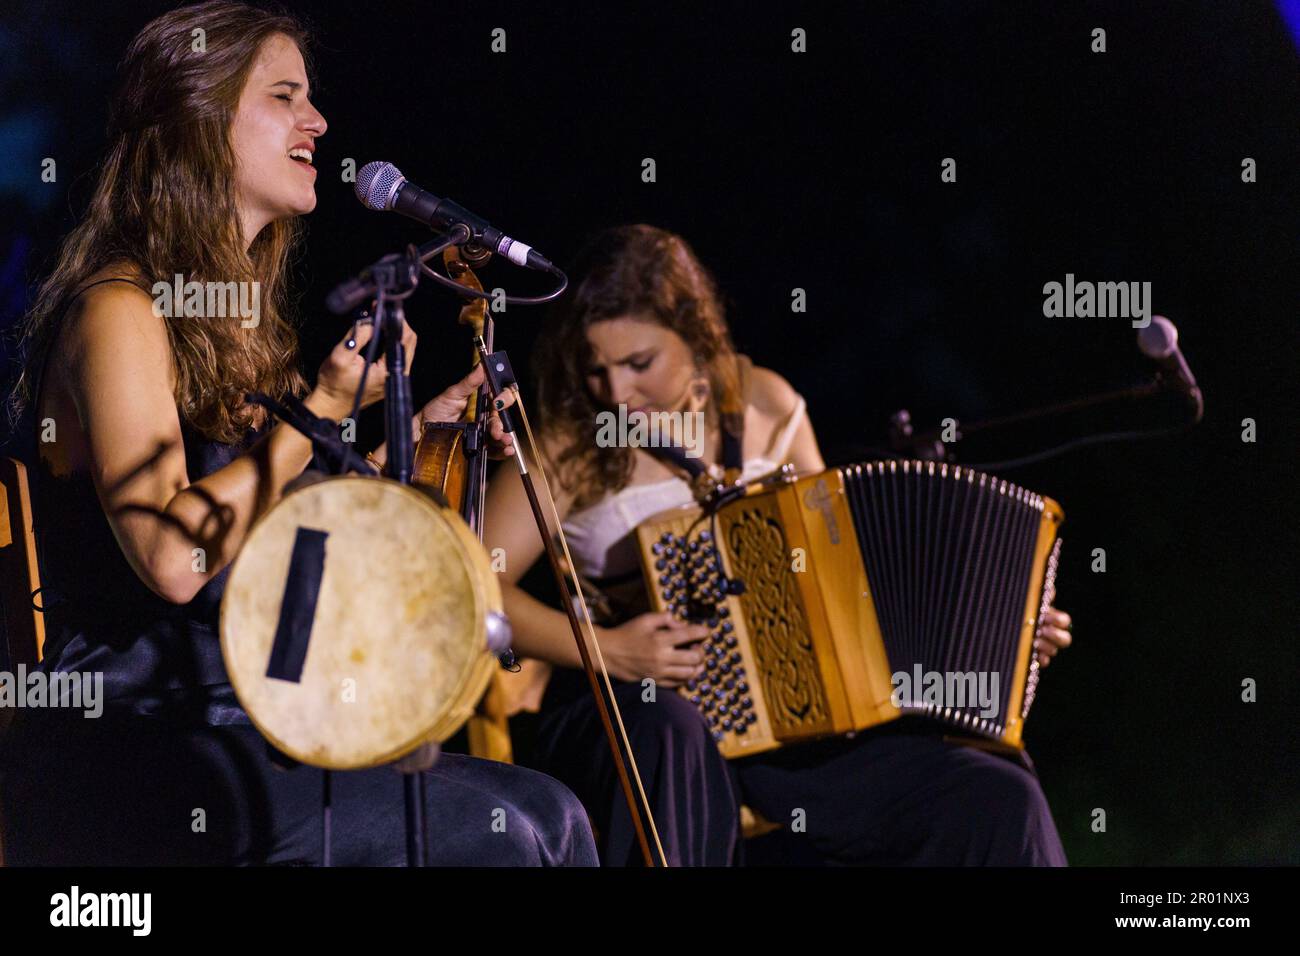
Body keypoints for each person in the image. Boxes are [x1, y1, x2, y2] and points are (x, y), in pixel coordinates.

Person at [0, 1, 596, 866]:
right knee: (503, 838)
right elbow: (176, 559)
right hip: (138, 743)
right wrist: (320, 410)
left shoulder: (239, 332)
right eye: (285, 97)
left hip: (254, 716)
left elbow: (293, 540)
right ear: (201, 124)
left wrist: (420, 438)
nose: (317, 121)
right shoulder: (118, 311)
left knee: (548, 811)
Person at [483, 224, 1074, 866]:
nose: (616, 392)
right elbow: (470, 578)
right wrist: (612, 652)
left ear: (695, 334)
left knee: (995, 797)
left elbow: (845, 576)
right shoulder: (571, 446)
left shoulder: (769, 403)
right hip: (637, 717)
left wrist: (1004, 635)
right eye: (595, 370)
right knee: (671, 730)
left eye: (638, 364)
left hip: (791, 727)